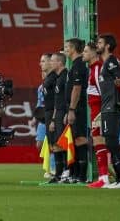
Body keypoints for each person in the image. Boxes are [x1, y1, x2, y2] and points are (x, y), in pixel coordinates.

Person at [96, 34, 120, 189]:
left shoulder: (111, 62)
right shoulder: (105, 64)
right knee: (110, 143)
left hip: (113, 107)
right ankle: (119, 179)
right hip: (106, 107)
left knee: (112, 142)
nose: (97, 45)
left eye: (100, 43)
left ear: (108, 46)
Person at [64, 38, 90, 183]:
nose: (65, 49)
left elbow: (77, 88)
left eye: (67, 47)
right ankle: (76, 175)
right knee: (75, 139)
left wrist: (72, 109)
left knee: (80, 139)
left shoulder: (79, 65)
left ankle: (82, 176)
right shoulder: (74, 65)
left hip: (78, 108)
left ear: (73, 48)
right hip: (74, 108)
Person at [84, 41, 110, 188]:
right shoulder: (93, 69)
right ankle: (103, 177)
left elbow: (103, 93)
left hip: (99, 110)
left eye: (86, 51)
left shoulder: (97, 69)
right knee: (97, 142)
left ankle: (104, 179)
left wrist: (101, 113)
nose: (84, 54)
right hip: (95, 110)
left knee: (100, 142)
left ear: (94, 53)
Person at [48, 52, 68, 183]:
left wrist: (67, 112)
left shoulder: (66, 76)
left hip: (64, 113)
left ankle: (66, 172)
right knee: (56, 143)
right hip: (58, 113)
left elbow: (67, 97)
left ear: (60, 62)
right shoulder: (58, 77)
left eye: (53, 61)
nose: (51, 63)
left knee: (62, 144)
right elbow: (57, 100)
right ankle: (59, 174)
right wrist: (54, 119)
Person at [38, 53, 57, 178]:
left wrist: (54, 118)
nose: (41, 64)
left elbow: (58, 100)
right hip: (48, 113)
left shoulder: (54, 78)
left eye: (43, 61)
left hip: (54, 114)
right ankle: (54, 170)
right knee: (51, 142)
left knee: (55, 143)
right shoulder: (48, 78)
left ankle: (57, 171)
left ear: (51, 62)